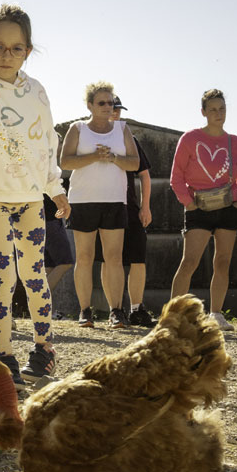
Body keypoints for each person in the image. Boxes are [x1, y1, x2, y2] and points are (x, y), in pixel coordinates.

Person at [0, 3, 70, 388]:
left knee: (34, 275)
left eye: (16, 48)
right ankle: (3, 355)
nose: (6, 55)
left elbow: (47, 145)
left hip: (29, 201)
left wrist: (55, 189)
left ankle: (44, 350)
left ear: (27, 49)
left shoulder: (36, 91)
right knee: (2, 278)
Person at [59, 82, 139, 329]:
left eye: (111, 103)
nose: (108, 107)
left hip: (114, 200)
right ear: (90, 105)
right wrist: (94, 156)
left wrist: (114, 158)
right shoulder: (78, 128)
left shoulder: (122, 129)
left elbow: (134, 164)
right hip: (83, 200)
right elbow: (65, 162)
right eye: (102, 103)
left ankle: (116, 311)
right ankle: (85, 311)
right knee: (84, 257)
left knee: (114, 258)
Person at [170, 88, 237, 331]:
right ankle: (173, 317)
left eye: (222, 108)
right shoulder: (190, 138)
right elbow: (176, 177)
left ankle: (216, 314)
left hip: (228, 208)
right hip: (198, 208)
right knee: (189, 262)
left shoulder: (235, 142)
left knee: (222, 262)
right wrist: (190, 203)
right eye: (213, 109)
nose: (218, 113)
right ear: (203, 112)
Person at [98, 96, 155, 328]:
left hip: (129, 207)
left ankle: (136, 309)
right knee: (107, 259)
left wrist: (145, 206)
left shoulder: (129, 138)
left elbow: (144, 174)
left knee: (138, 258)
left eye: (118, 109)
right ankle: (115, 310)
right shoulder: (92, 137)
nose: (115, 113)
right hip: (103, 205)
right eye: (111, 108)